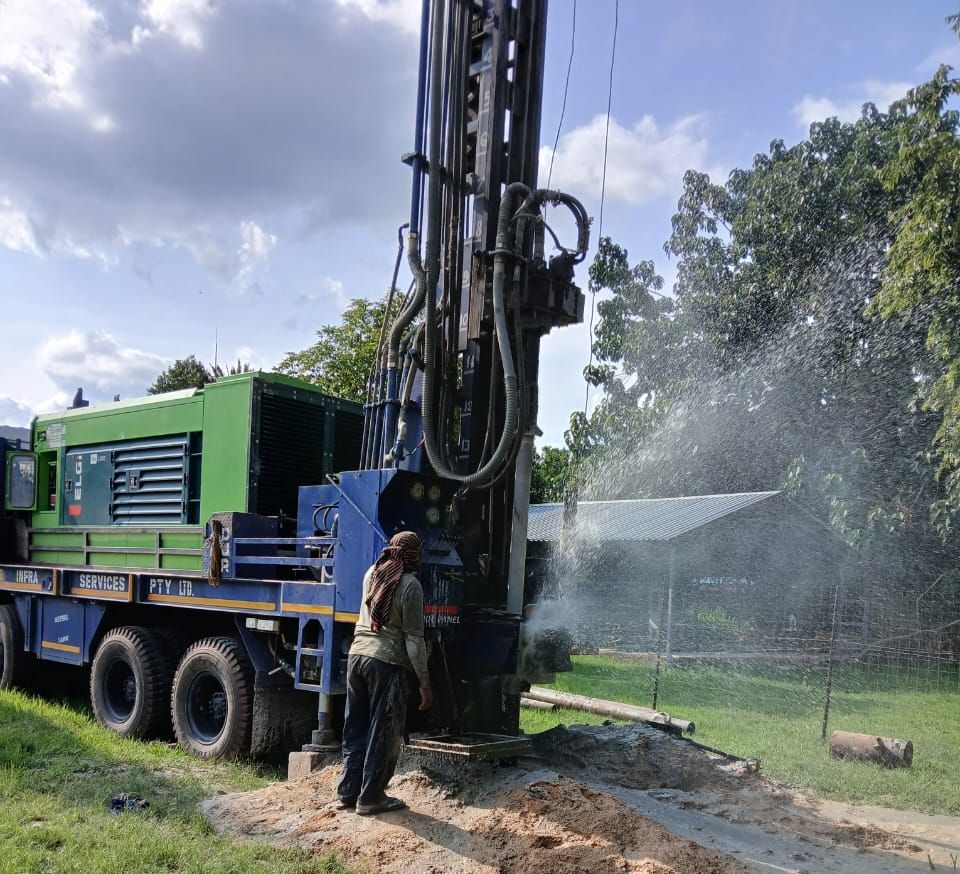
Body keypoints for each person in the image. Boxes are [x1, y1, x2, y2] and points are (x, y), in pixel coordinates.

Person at [336, 530, 433, 815]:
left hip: (357, 657)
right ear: (414, 554)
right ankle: (371, 798)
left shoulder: (372, 573)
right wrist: (424, 684)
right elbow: (413, 640)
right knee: (384, 732)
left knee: (355, 728)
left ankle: (347, 793)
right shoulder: (411, 585)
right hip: (386, 663)